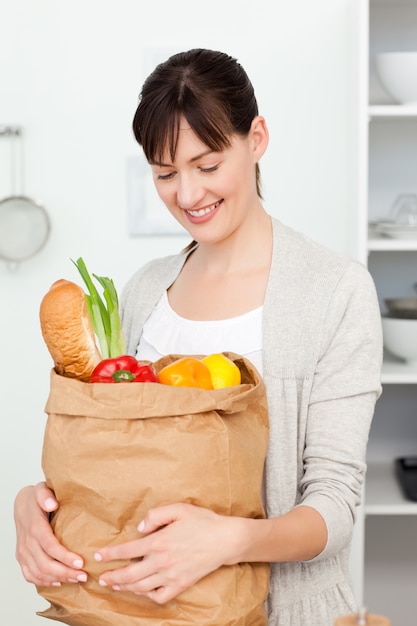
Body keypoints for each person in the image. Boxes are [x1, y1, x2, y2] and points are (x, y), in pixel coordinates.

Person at [14, 48, 383, 625]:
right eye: (165, 173)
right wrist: (32, 509)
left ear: (256, 138)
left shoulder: (335, 292)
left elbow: (333, 508)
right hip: (132, 611)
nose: (187, 196)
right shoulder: (144, 292)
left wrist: (226, 541)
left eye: (207, 166)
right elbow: (114, 459)